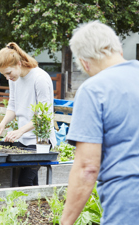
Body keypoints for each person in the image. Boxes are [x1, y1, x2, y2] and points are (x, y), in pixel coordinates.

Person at [60, 21, 139, 225]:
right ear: (118, 48)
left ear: (84, 62)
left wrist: (66, 221)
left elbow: (87, 168)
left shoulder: (94, 89)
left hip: (128, 203)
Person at [0, 42, 56, 186]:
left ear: (19, 63)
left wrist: (20, 131)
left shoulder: (40, 78)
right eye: (4, 75)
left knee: (24, 181)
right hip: (23, 139)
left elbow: (44, 115)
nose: (7, 77)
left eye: (8, 73)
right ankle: (36, 207)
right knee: (29, 181)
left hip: (41, 141)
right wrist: (2, 124)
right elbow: (13, 105)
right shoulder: (14, 79)